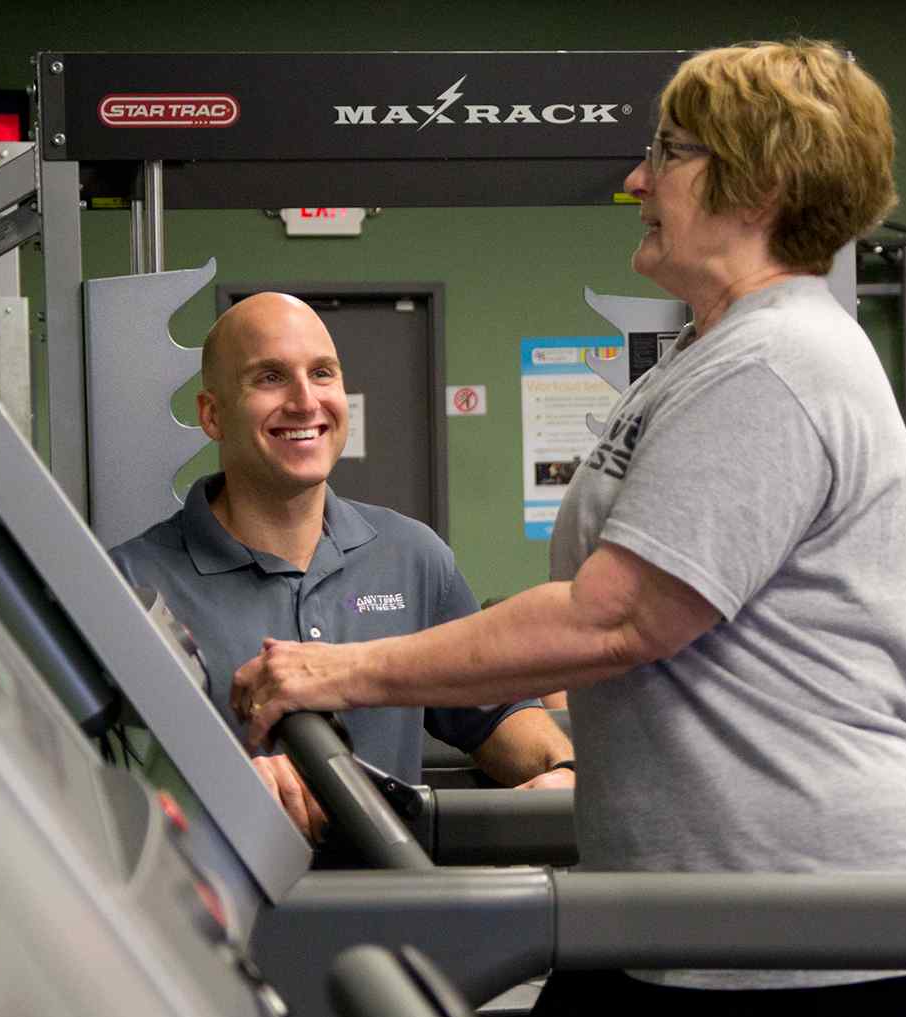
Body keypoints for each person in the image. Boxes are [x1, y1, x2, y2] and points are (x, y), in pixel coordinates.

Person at [231, 40, 906, 1017]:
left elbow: (618, 615)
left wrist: (340, 671)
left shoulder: (773, 365)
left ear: (755, 182)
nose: (636, 178)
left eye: (666, 152)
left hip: (796, 905)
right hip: (695, 901)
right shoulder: (716, 353)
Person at [110, 292, 574, 842]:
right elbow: (111, 790)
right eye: (270, 378)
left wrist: (560, 770)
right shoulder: (131, 582)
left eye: (322, 373)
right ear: (212, 415)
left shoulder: (414, 557)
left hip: (386, 911)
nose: (305, 401)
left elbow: (493, 713)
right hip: (216, 917)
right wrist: (224, 790)